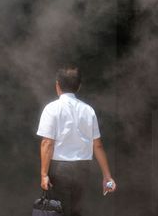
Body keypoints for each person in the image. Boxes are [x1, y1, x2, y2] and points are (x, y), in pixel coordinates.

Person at [37, 66, 116, 216]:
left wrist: (43, 174)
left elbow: (47, 143)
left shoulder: (51, 109)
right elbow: (97, 145)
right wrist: (107, 176)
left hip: (60, 169)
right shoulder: (88, 110)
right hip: (83, 169)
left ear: (57, 85)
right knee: (77, 211)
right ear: (79, 86)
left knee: (56, 210)